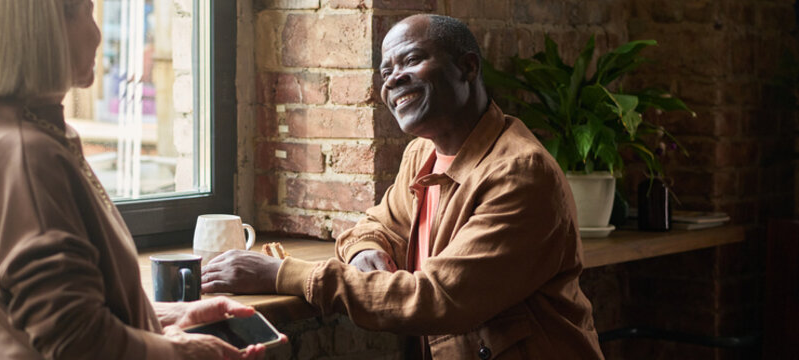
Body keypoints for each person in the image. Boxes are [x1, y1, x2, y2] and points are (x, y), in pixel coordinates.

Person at [201, 14, 604, 359]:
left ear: (468, 67)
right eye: (386, 71)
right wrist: (365, 250)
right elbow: (374, 226)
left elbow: (437, 300)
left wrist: (282, 275)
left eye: (411, 60)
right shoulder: (422, 153)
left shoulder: (520, 173)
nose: (394, 80)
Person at [0, 0, 272, 359]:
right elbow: (77, 342)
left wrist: (161, 317)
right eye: (87, 11)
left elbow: (57, 315)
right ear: (47, 29)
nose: (99, 35)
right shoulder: (27, 157)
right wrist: (183, 354)